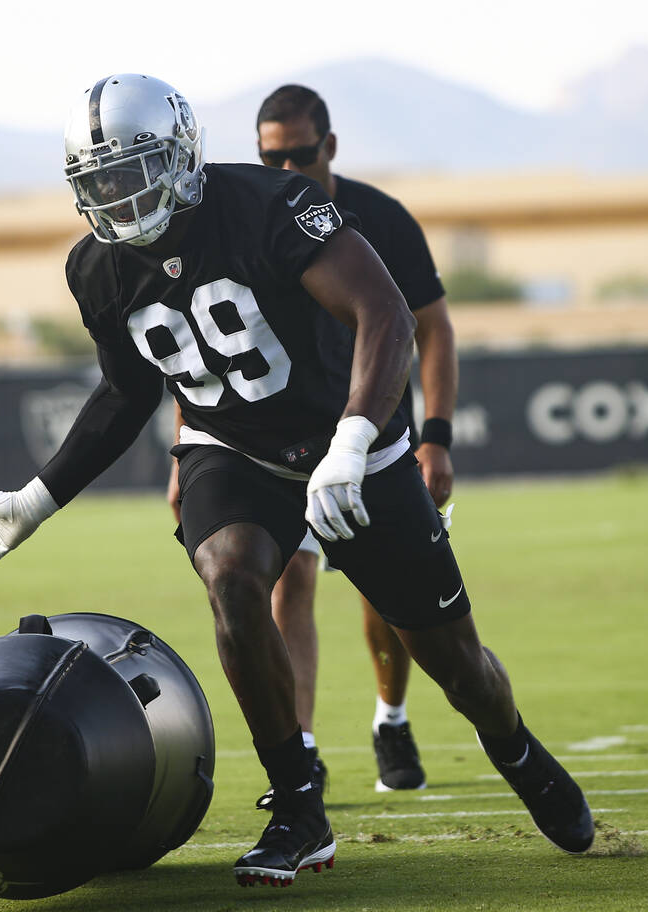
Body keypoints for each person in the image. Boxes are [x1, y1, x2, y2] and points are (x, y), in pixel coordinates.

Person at [0, 73, 594, 887]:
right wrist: (35, 500)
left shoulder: (268, 208)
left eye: (132, 168)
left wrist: (354, 442)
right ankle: (299, 805)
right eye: (99, 179)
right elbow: (127, 390)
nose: (117, 192)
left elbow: (385, 312)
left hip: (357, 447)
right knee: (232, 574)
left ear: (181, 155)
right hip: (233, 448)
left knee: (455, 663)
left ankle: (519, 752)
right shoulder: (98, 270)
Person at [167, 83, 457, 799]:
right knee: (285, 580)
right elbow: (210, 354)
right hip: (277, 443)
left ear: (329, 145)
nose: (287, 168)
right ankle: (301, 750)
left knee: (383, 597)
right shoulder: (251, 217)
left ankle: (391, 715)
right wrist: (186, 446)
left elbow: (430, 327)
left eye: (300, 152)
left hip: (372, 435)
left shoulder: (380, 219)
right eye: (273, 155)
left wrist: (437, 438)